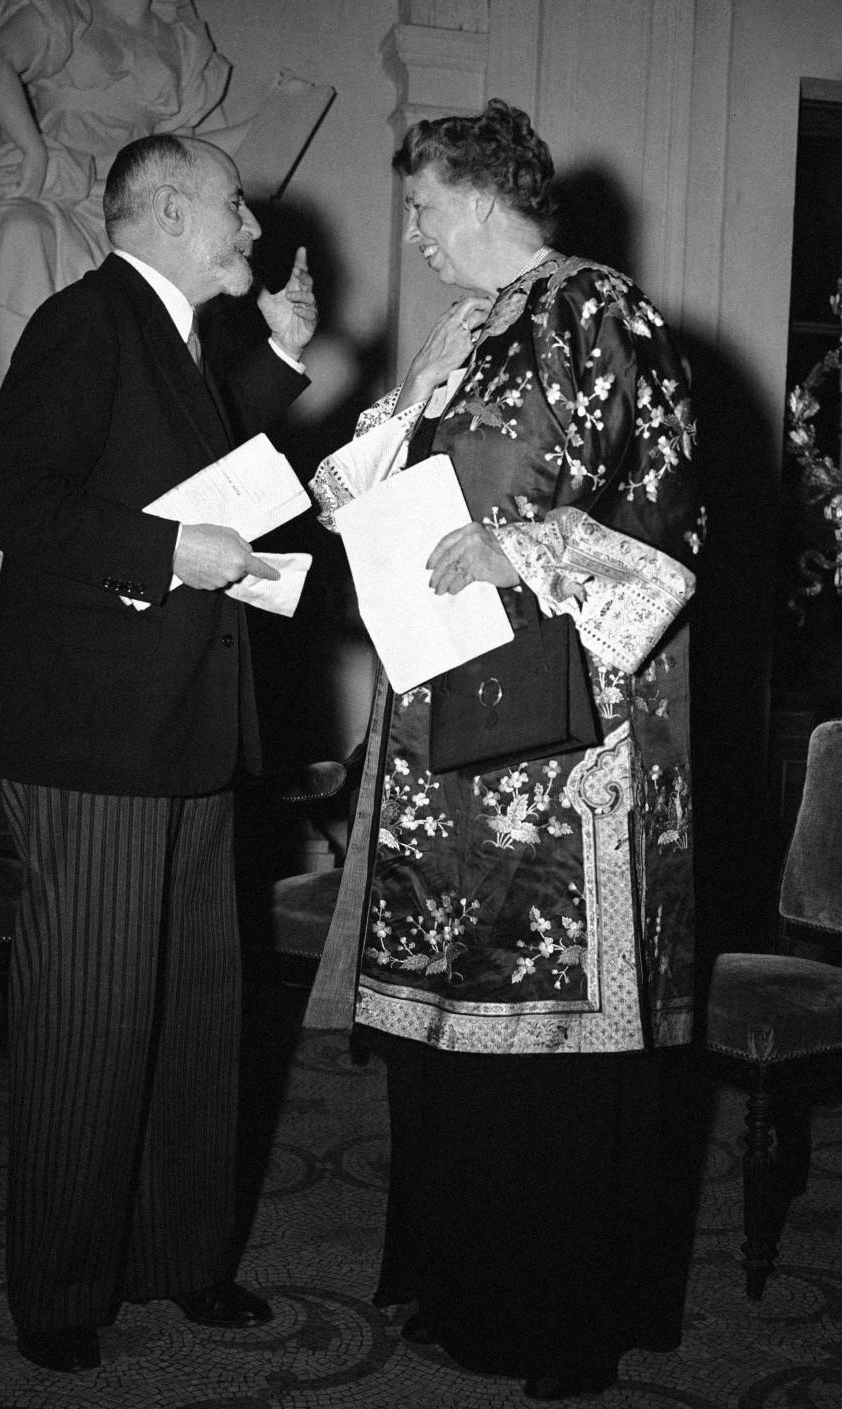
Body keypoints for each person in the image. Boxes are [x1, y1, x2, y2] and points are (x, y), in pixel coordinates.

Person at [308, 100, 704, 1400]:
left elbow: (665, 504)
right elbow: (420, 466)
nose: (413, 232)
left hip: (561, 743)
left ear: (481, 194)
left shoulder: (600, 310)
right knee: (454, 1028)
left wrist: (521, 550)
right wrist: (356, 479)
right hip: (447, 735)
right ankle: (463, 1285)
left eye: (423, 205)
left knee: (547, 1032)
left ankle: (554, 1319)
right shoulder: (462, 333)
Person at [0, 131, 317, 1374]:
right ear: (164, 208)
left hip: (181, 729)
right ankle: (59, 1287)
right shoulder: (87, 318)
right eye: (233, 206)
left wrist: (279, 358)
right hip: (91, 741)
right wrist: (171, 556)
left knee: (196, 1012)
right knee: (92, 1015)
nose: (250, 230)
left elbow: (204, 471)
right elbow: (3, 497)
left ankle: (182, 1259)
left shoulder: (172, 338)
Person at [0, 0, 253, 378]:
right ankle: (28, 397)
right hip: (58, 179)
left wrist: (273, 118)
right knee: (21, 232)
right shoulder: (70, 11)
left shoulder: (181, 41)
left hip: (127, 193)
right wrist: (32, 148)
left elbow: (182, 151)